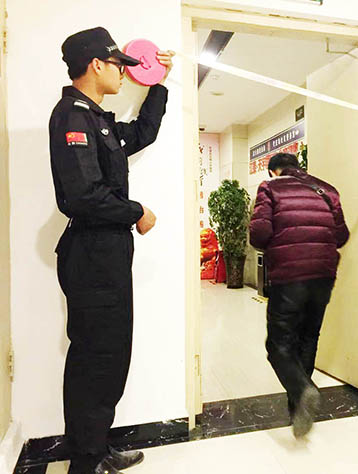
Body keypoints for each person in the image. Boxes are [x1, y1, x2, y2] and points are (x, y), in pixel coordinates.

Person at [49, 27, 174, 474]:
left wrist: (158, 83)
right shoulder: (72, 116)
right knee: (95, 357)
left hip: (107, 252)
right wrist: (136, 210)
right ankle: (85, 462)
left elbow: (142, 132)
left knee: (110, 354)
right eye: (118, 64)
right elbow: (82, 196)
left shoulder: (97, 120)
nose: (124, 72)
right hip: (91, 253)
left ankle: (97, 448)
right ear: (96, 64)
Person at [249, 153, 349, 438]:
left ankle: (304, 390)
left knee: (278, 345)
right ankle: (298, 411)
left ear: (273, 171)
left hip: (289, 275)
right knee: (308, 337)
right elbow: (341, 236)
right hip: (323, 274)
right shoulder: (327, 190)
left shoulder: (270, 188)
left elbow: (259, 233)